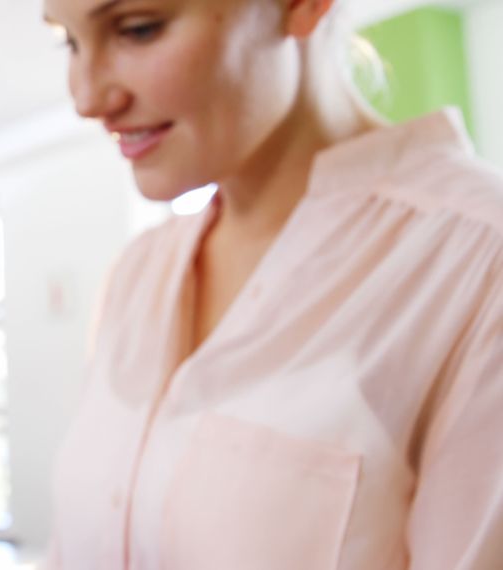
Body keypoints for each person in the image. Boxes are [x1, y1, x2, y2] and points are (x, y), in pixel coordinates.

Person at [39, 0, 503, 568]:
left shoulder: (477, 259)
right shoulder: (138, 272)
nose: (86, 100)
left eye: (139, 29)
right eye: (70, 41)